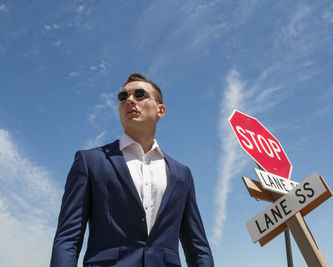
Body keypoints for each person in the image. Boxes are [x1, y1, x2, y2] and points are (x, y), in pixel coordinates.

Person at [50, 73, 214, 267]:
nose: (129, 100)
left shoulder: (181, 174)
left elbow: (198, 248)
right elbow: (68, 238)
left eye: (139, 94)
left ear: (160, 110)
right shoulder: (90, 161)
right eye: (123, 97)